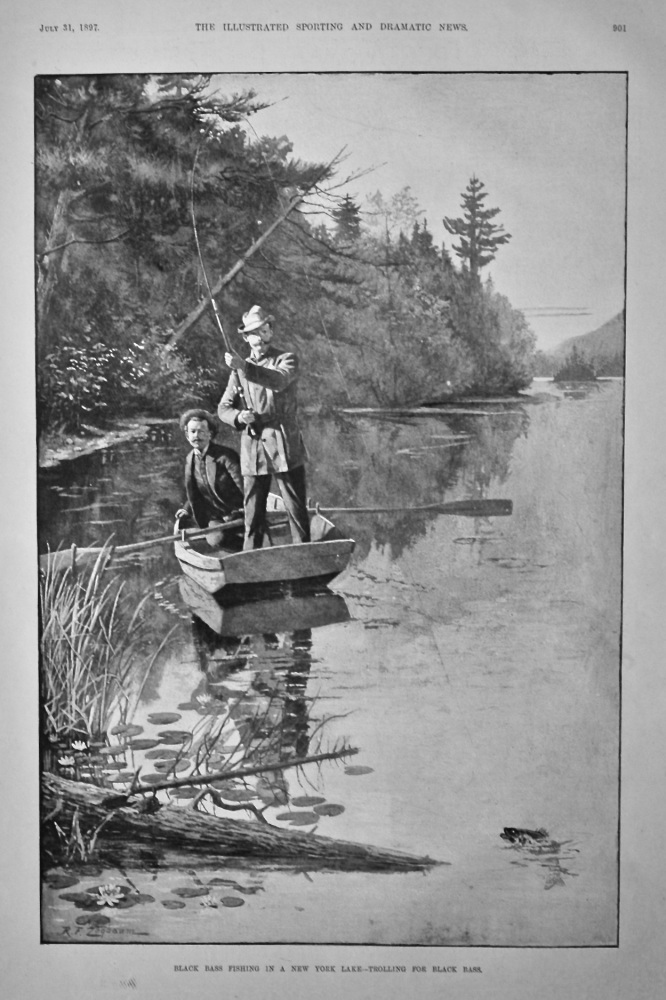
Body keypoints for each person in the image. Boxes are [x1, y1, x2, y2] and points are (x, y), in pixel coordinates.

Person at [217, 305, 310, 550]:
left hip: (283, 441)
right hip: (253, 444)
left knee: (296, 509)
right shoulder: (238, 370)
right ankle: (252, 557)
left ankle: (304, 555)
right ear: (246, 338)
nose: (262, 334)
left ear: (270, 333)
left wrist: (243, 367)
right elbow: (223, 408)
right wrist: (239, 417)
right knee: (253, 512)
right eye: (255, 332)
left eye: (265, 329)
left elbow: (278, 381)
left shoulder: (286, 359)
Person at [175, 409, 244, 548]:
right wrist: (186, 509)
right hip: (216, 516)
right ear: (187, 435)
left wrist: (245, 509)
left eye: (201, 431)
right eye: (192, 432)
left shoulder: (226, 456)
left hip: (238, 513)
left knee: (254, 536)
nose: (197, 436)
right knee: (215, 540)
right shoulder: (190, 460)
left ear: (210, 434)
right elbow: (197, 491)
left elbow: (245, 486)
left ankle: (251, 549)